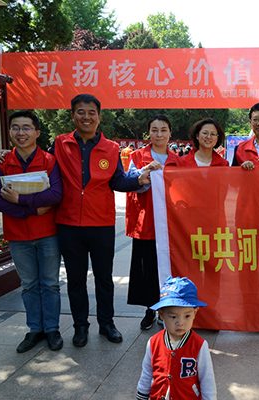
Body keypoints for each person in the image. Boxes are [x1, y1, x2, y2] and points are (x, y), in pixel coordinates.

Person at [51, 94, 153, 347]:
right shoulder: (60, 143)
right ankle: (80, 326)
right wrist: (8, 153)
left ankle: (107, 324)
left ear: (99, 117)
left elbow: (117, 181)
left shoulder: (111, 148)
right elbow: (42, 165)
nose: (86, 117)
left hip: (102, 224)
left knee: (104, 278)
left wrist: (138, 180)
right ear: (72, 115)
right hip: (68, 223)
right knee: (75, 279)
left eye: (91, 113)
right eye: (81, 112)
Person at [0, 110, 64, 353]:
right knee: (29, 284)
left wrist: (19, 199)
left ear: (37, 132)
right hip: (17, 235)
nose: (21, 133)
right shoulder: (3, 163)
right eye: (16, 128)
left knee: (50, 283)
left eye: (26, 128)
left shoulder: (49, 161)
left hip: (47, 233)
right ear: (10, 132)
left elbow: (56, 194)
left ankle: (52, 329)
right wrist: (29, 209)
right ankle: (35, 329)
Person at [127, 115, 178, 330]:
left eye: (163, 130)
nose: (159, 134)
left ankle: (166, 308)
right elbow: (130, 182)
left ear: (170, 133)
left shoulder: (177, 160)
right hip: (145, 221)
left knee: (168, 267)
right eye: (154, 130)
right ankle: (150, 309)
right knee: (147, 268)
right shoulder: (138, 156)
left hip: (172, 223)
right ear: (149, 132)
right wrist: (144, 173)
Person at [136, 276, 217, 400]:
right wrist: (142, 395)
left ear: (195, 313)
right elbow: (147, 373)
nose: (180, 323)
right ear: (161, 314)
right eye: (173, 317)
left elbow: (207, 379)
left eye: (187, 316)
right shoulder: (153, 342)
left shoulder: (200, 345)